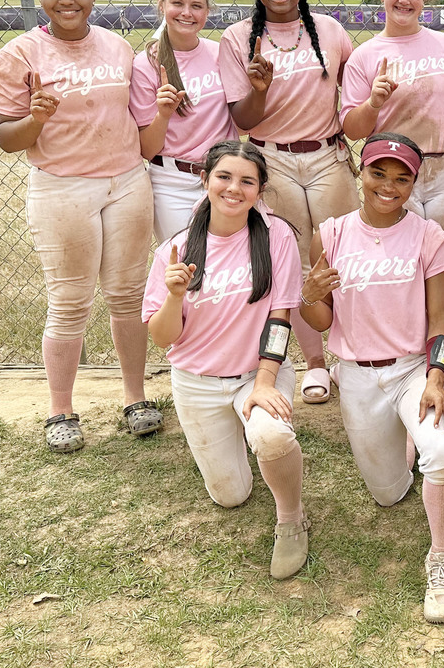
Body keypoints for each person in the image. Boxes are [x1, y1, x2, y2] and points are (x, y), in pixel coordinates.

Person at [0, 0, 159, 453]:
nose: (67, 0)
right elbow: (6, 138)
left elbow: (138, 115)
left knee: (127, 295)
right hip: (63, 186)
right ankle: (60, 409)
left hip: (127, 180)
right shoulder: (19, 54)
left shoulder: (116, 47)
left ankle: (135, 397)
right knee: (69, 302)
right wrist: (36, 118)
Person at [299, 134, 444, 624]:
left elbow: (441, 320)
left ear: (415, 182)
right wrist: (310, 293)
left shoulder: (428, 236)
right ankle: (403, 451)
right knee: (389, 492)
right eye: (379, 173)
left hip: (415, 369)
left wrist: (437, 378)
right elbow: (321, 320)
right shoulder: (329, 235)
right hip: (355, 374)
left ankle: (441, 558)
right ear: (360, 172)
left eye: (402, 178)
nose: (389, 186)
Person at [142, 141, 309, 579]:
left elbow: (280, 315)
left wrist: (266, 382)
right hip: (196, 379)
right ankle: (233, 435)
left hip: (256, 373)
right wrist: (174, 295)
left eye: (247, 181)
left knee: (271, 436)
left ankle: (291, 519)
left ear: (260, 190)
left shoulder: (277, 237)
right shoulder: (176, 250)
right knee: (230, 495)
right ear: (205, 180)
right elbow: (163, 338)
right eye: (224, 177)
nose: (234, 188)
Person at [218, 0, 358, 405]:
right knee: (295, 263)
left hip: (326, 155)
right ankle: (316, 364)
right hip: (271, 157)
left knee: (344, 252)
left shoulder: (331, 31)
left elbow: (353, 94)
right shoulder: (239, 38)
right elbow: (243, 116)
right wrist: (259, 90)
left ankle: (351, 357)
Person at [340, 0, 444, 237]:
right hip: (394, 169)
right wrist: (373, 104)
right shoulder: (363, 56)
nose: (405, 0)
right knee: (401, 253)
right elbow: (352, 130)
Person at [130, 0, 238, 242]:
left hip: (224, 175)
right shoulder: (146, 65)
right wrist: (163, 115)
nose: (186, 13)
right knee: (184, 267)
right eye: (177, 3)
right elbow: (147, 149)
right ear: (161, 4)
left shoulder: (219, 52)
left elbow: (242, 116)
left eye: (196, 6)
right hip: (172, 182)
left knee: (229, 259)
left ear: (207, 11)